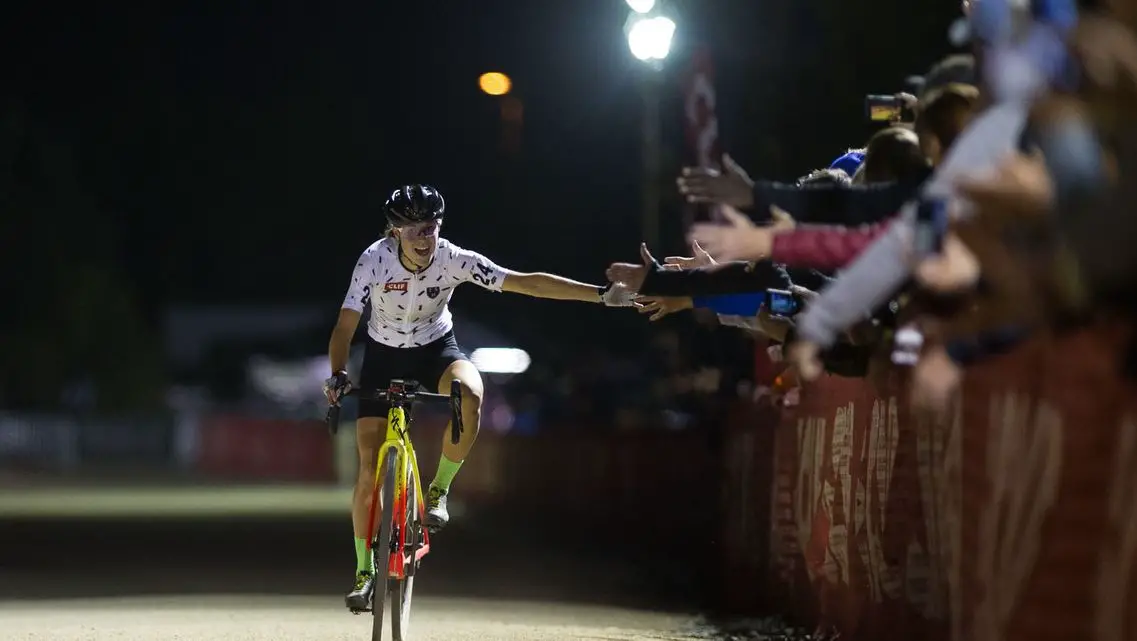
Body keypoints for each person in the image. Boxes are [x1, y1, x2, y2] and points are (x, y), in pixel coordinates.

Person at [324, 184, 634, 610]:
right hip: (383, 357)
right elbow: (344, 328)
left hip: (437, 350)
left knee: (470, 391)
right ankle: (364, 572)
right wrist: (339, 374)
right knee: (367, 473)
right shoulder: (372, 261)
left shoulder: (454, 260)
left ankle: (438, 492)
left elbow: (528, 285)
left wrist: (600, 295)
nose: (423, 238)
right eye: (412, 229)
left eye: (430, 227)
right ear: (394, 232)